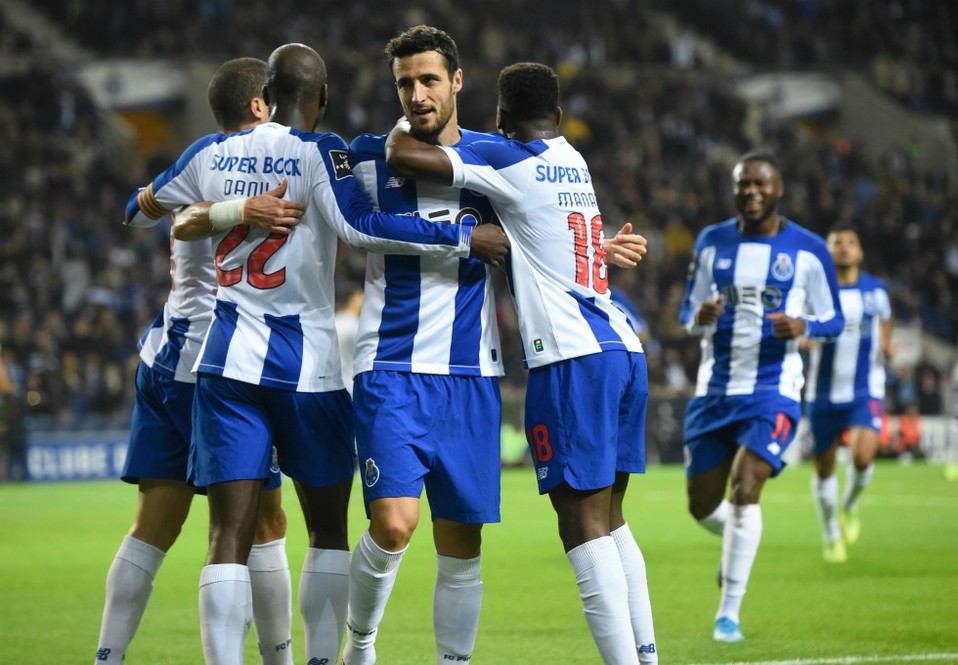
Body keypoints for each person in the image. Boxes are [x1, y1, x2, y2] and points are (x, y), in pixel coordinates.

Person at [125, 43, 508, 665]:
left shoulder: (211, 151)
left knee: (230, 535)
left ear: (263, 95)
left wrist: (224, 210)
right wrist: (464, 236)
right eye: (406, 82)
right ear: (322, 97)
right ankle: (333, 655)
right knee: (334, 530)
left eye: (429, 79)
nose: (418, 93)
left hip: (228, 360)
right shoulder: (335, 153)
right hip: (318, 367)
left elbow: (139, 214)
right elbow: (359, 227)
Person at [386, 61, 657, 665]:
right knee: (613, 521)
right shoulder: (573, 161)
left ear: (502, 119)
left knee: (580, 524)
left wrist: (412, 118)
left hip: (570, 358)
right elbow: (550, 232)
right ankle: (647, 656)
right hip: (621, 344)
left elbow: (406, 156)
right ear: (559, 118)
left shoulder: (505, 157)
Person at [95, 57, 296, 665]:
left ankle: (106, 657)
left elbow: (134, 212)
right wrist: (241, 210)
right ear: (260, 105)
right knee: (262, 524)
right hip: (218, 367)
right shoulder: (288, 156)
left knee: (152, 527)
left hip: (161, 356)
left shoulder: (201, 156)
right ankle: (279, 660)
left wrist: (182, 208)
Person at [677, 151, 844, 642]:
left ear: (778, 189)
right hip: (714, 390)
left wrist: (804, 324)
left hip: (774, 388)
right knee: (702, 507)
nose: (751, 191)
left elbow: (834, 317)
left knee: (747, 486)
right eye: (743, 184)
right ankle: (736, 545)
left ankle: (728, 612)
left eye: (760, 184)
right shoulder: (711, 242)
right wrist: (697, 318)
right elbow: (688, 308)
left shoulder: (809, 250)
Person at [804, 223, 892, 562]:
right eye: (836, 242)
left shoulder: (876, 290)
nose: (843, 247)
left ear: (860, 252)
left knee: (862, 456)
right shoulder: (815, 290)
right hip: (821, 392)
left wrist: (886, 344)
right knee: (824, 469)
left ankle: (850, 505)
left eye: (850, 242)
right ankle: (830, 534)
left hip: (864, 388)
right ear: (826, 251)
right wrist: (803, 335)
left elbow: (885, 319)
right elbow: (800, 325)